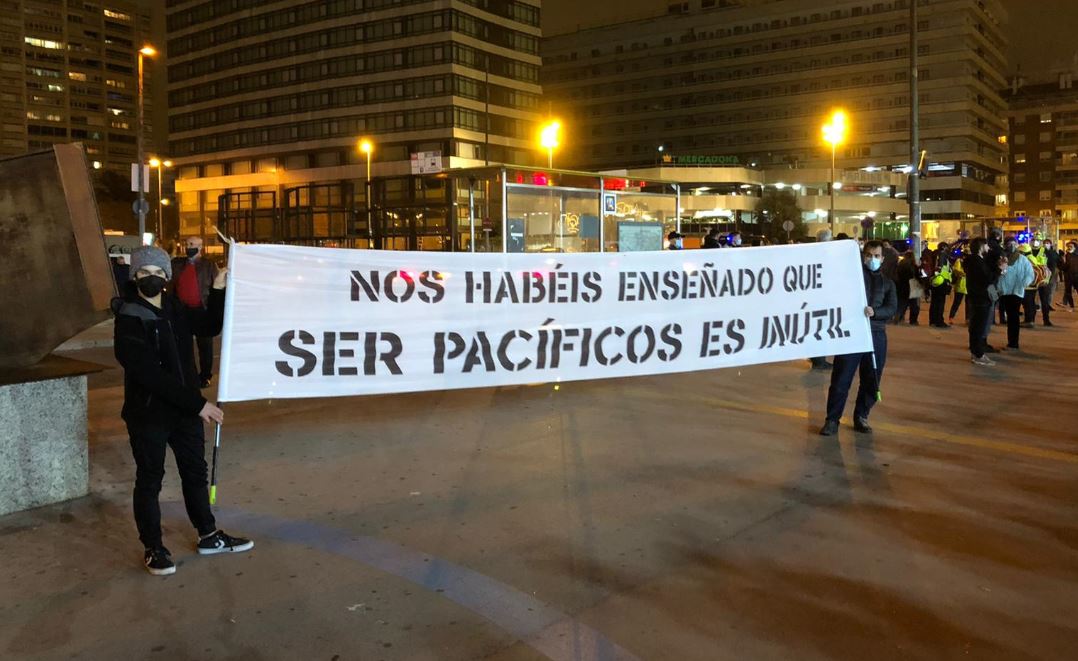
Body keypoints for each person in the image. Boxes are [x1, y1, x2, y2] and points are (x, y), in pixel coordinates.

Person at [113, 246, 252, 576]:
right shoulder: (129, 317)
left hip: (184, 414)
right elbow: (148, 374)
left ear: (167, 277)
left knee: (195, 473)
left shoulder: (175, 308)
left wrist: (218, 289)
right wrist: (198, 404)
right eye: (144, 272)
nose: (151, 278)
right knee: (150, 479)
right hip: (149, 416)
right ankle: (154, 548)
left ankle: (209, 534)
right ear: (134, 276)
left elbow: (208, 326)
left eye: (158, 272)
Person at [820, 241, 897, 436]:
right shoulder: (850, 279)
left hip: (876, 335)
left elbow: (892, 308)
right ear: (863, 256)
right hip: (851, 335)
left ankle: (861, 416)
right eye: (869, 255)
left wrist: (875, 312)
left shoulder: (888, 283)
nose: (873, 259)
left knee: (872, 379)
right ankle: (832, 420)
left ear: (882, 258)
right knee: (841, 379)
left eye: (877, 256)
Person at [171, 237, 220, 388]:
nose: (188, 247)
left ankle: (205, 376)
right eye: (187, 244)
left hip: (202, 311)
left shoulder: (209, 265)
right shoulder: (178, 264)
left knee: (205, 346)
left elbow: (217, 286)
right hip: (182, 311)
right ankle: (188, 375)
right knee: (184, 345)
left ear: (200, 247)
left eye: (192, 245)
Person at [997, 237, 1035, 352]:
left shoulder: (1022, 259)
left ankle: (1013, 343)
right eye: (1009, 244)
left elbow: (1029, 274)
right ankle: (1011, 342)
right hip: (1004, 292)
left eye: (1014, 244)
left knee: (1013, 318)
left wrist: (1023, 284)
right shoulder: (1002, 259)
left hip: (1016, 292)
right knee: (1010, 318)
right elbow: (999, 275)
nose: (1012, 246)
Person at [964, 237, 997, 365]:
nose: (988, 248)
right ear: (981, 247)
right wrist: (1000, 270)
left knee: (976, 326)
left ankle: (976, 352)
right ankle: (978, 354)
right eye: (987, 246)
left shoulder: (974, 261)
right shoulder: (976, 262)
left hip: (977, 297)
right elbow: (987, 279)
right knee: (979, 327)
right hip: (981, 298)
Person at [809, 228, 834, 370]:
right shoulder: (825, 253)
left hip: (815, 297)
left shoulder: (812, 251)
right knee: (821, 328)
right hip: (821, 298)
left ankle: (816, 358)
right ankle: (819, 360)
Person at [1027, 240, 1053, 327]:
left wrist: (1048, 277)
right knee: (1030, 301)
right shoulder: (1028, 250)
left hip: (1042, 279)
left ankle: (1046, 320)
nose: (1035, 242)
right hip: (1032, 279)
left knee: (1044, 301)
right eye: (1033, 240)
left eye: (1037, 240)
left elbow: (1052, 263)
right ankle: (1031, 320)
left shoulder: (1045, 251)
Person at [928, 241, 953, 328]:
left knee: (934, 302)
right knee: (940, 302)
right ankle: (939, 321)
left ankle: (932, 320)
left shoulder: (934, 254)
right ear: (944, 247)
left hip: (935, 281)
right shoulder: (942, 255)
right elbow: (941, 267)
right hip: (941, 281)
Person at [894, 250, 922, 325]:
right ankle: (913, 320)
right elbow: (917, 276)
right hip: (912, 287)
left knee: (901, 303)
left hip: (901, 286)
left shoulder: (900, 265)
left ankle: (898, 317)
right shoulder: (913, 266)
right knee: (914, 305)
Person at [949, 250, 968, 323]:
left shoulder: (970, 262)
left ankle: (968, 319)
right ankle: (951, 317)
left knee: (968, 304)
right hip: (960, 285)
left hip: (968, 286)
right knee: (956, 302)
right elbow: (956, 270)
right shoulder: (959, 261)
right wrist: (965, 274)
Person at [1063, 241, 1078, 310]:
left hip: (1076, 276)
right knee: (1068, 292)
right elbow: (1065, 266)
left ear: (1075, 247)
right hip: (1068, 276)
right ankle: (1071, 306)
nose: (1069, 248)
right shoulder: (1067, 255)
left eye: (1071, 246)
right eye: (1068, 246)